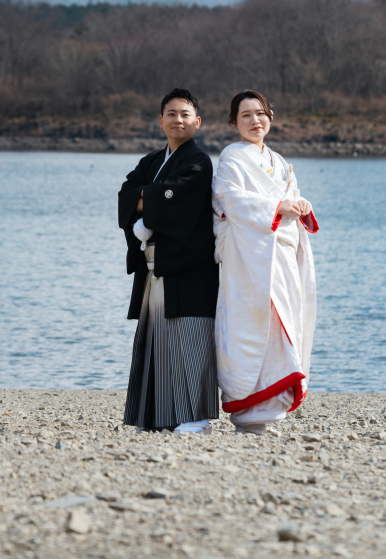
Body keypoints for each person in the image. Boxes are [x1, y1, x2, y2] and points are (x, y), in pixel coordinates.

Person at [212, 90, 318, 434]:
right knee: (250, 322)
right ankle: (249, 407)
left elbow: (291, 195)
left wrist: (299, 205)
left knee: (282, 323)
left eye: (261, 113)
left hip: (281, 254)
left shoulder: (281, 161)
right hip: (248, 256)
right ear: (234, 122)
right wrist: (278, 208)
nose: (255, 120)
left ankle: (274, 408)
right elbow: (230, 200)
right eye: (246, 115)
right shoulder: (232, 158)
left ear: (270, 117)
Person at [118, 88, 219, 433]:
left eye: (185, 114)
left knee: (190, 339)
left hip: (190, 265)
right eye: (172, 114)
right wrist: (150, 200)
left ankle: (197, 416)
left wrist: (146, 210)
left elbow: (167, 200)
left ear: (197, 122)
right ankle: (156, 417)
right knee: (157, 342)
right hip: (154, 267)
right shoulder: (151, 161)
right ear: (161, 120)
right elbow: (125, 195)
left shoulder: (199, 162)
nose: (178, 120)